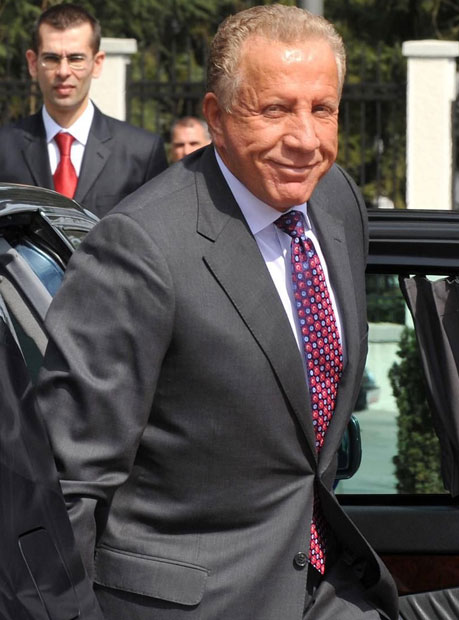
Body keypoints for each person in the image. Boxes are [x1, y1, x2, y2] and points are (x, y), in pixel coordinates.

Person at [34, 5, 398, 620]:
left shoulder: (335, 198)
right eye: (275, 109)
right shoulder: (141, 247)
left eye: (323, 109)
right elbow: (66, 483)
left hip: (323, 587)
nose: (306, 139)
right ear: (217, 117)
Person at [0, 4, 167, 218]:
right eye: (51, 58)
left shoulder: (142, 152)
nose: (63, 71)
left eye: (76, 59)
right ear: (33, 63)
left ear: (97, 63)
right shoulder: (4, 147)